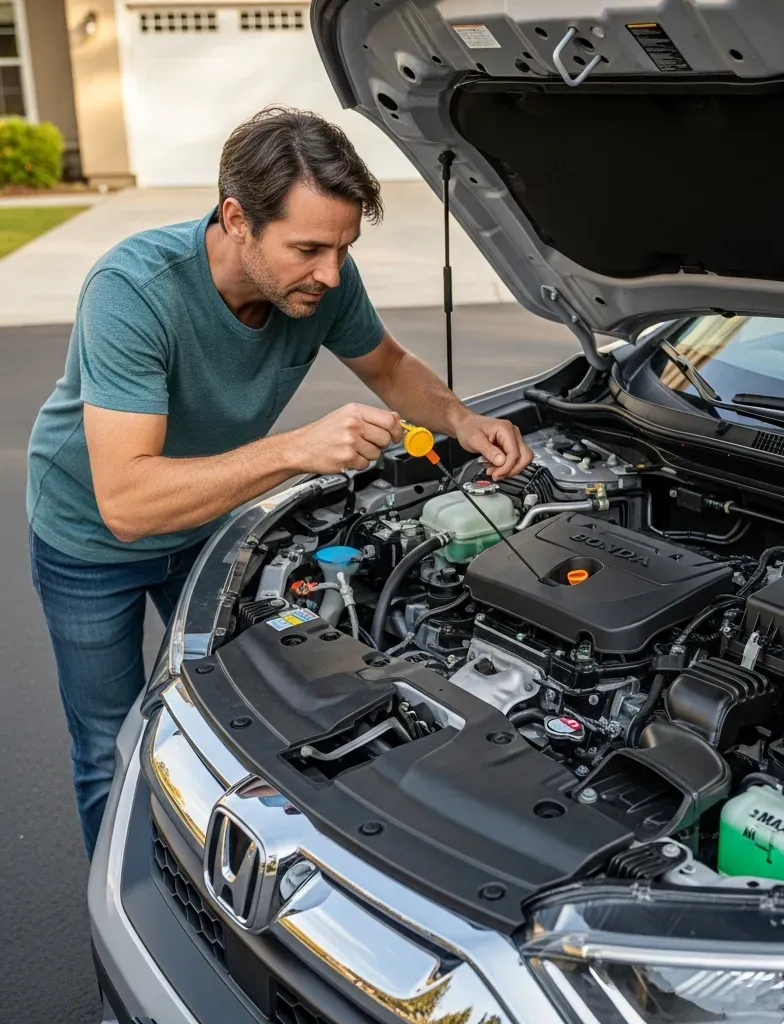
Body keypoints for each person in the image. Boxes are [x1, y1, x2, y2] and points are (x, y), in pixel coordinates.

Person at [26, 106, 533, 859]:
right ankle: (127, 896)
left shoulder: (323, 281)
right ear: (237, 219)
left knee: (246, 715)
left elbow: (389, 365)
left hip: (209, 522)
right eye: (307, 249)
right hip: (90, 539)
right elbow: (127, 505)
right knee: (110, 741)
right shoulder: (134, 291)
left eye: (343, 248)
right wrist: (297, 449)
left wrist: (462, 421)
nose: (330, 273)